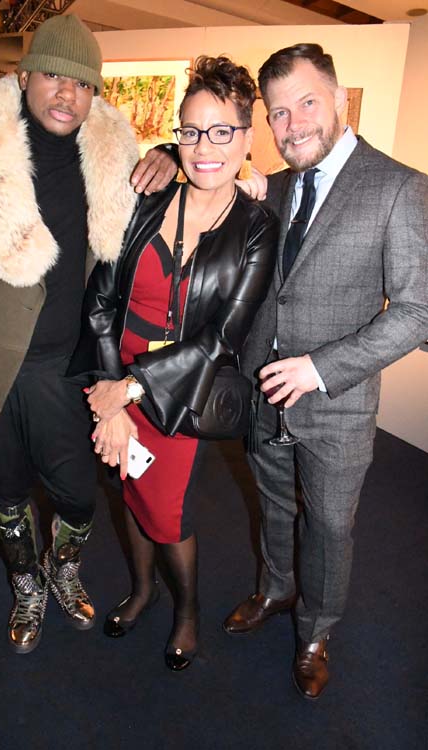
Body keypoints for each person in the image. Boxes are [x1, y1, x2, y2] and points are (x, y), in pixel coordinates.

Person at [0, 14, 177, 654]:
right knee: (7, 490)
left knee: (78, 494)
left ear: (96, 94)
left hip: (74, 370)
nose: (68, 94)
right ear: (25, 75)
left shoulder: (117, 164)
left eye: (83, 84)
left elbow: (195, 198)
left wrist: (171, 154)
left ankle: (61, 569)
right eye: (54, 77)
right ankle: (26, 583)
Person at [223, 44, 428, 699]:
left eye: (307, 103)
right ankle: (277, 590)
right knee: (275, 508)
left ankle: (315, 631)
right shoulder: (273, 188)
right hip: (263, 396)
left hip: (337, 406)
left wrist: (320, 367)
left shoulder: (399, 186)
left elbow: (419, 312)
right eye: (278, 112)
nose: (293, 124)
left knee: (331, 528)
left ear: (339, 99)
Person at [70, 56, 278, 671]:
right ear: (177, 134)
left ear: (246, 136)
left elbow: (221, 337)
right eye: (190, 131)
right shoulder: (144, 199)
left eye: (222, 132)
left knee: (166, 510)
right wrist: (109, 387)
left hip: (179, 387)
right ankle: (141, 590)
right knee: (125, 490)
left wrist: (128, 393)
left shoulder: (256, 226)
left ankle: (185, 613)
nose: (204, 146)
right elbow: (101, 301)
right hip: (113, 370)